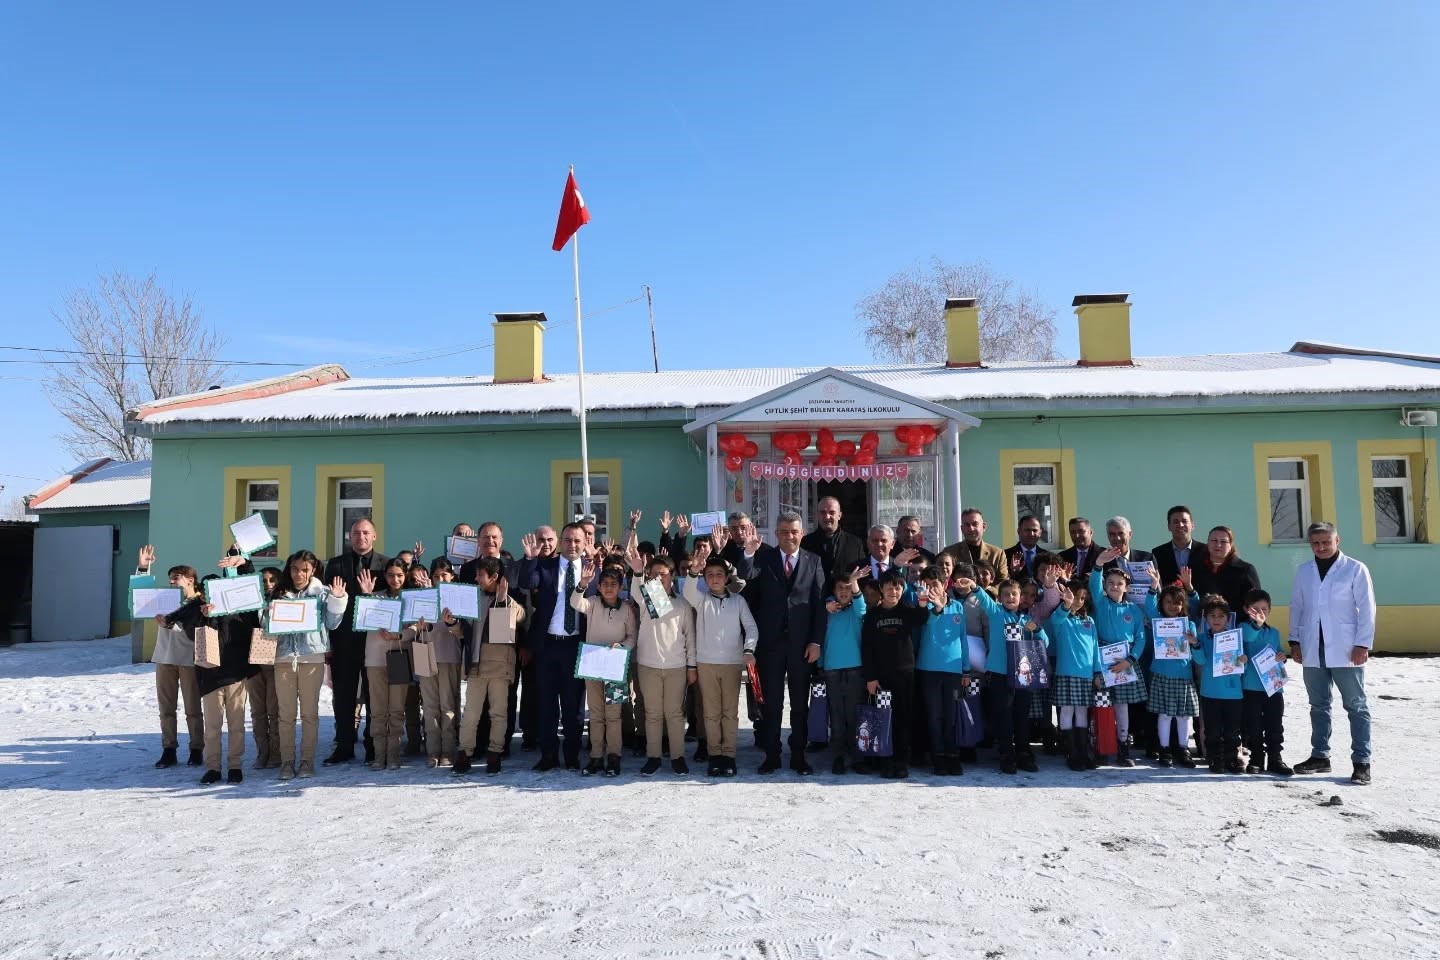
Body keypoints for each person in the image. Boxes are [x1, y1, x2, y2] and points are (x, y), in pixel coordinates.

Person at [737, 510, 826, 775]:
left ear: (802, 533)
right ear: (776, 534)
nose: (790, 536)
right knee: (771, 704)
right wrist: (749, 554)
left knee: (800, 705)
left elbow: (819, 605)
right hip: (771, 646)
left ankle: (798, 755)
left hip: (801, 647)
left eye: (794, 531)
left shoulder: (814, 561)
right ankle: (772, 755)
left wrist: (816, 642)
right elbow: (744, 580)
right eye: (784, 531)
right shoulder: (762, 558)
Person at [1288, 522, 1375, 785]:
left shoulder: (1355, 569)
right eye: (1316, 543)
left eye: (1326, 541)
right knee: (1318, 704)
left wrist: (1363, 644)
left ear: (1337, 540)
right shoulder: (1304, 572)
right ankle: (1320, 756)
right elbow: (1297, 607)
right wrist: (1295, 640)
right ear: (1310, 545)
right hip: (1313, 646)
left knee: (1356, 705)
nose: (1321, 547)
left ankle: (1362, 762)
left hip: (1347, 649)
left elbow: (1367, 609)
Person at [952, 573, 1046, 775]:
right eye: (1006, 595)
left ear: (1021, 597)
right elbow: (984, 599)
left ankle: (1023, 753)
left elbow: (1044, 643)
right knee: (1003, 716)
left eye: (1014, 594)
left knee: (1021, 716)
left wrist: (1036, 630)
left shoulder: (1027, 619)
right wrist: (973, 586)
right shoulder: (995, 614)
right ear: (1000, 598)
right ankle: (1006, 754)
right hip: (999, 674)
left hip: (1023, 675)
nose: (1011, 598)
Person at [268, 549, 347, 779]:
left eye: (304, 569)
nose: (299, 574)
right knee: (286, 714)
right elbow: (266, 625)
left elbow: (332, 625)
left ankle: (306, 761)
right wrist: (268, 614)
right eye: (294, 568)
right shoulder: (279, 593)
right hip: (283, 657)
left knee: (310, 714)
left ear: (313, 570)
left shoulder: (321, 593)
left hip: (312, 657)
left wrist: (338, 599)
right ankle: (286, 761)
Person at [518, 523, 589, 771]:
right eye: (568, 540)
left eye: (577, 541)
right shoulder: (546, 565)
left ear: (584, 543)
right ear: (561, 542)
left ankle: (572, 755)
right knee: (547, 705)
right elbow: (526, 582)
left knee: (574, 706)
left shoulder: (593, 570)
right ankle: (548, 755)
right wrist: (530, 559)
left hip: (576, 646)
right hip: (548, 645)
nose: (572, 545)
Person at [322, 519, 391, 765]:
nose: (360, 537)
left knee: (375, 694)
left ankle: (374, 743)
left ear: (374, 536)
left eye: (365, 532)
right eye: (355, 533)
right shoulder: (335, 564)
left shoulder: (385, 565)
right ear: (349, 537)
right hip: (344, 639)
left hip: (375, 640)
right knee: (344, 694)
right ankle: (344, 744)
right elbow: (328, 604)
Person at [682, 553, 758, 777]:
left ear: (727, 579)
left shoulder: (738, 601)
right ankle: (714, 755)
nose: (715, 578)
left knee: (730, 713)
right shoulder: (702, 599)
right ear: (705, 579)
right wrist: (694, 570)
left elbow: (751, 628)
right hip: (706, 664)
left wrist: (748, 650)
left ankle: (729, 755)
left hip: (732, 663)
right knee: (711, 712)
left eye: (719, 575)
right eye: (710, 575)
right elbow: (688, 591)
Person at [627, 549, 696, 775]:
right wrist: (638, 572)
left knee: (675, 714)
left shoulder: (683, 604)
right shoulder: (648, 596)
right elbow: (637, 593)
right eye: (654, 573)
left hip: (676, 666)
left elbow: (690, 638)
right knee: (653, 713)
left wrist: (692, 666)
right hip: (649, 665)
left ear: (672, 575)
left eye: (663, 573)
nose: (659, 577)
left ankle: (677, 757)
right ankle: (653, 757)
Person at [455, 557, 524, 776]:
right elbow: (462, 632)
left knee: (498, 713)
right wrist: (451, 623)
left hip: (500, 667)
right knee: (471, 714)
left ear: (494, 577)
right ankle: (464, 753)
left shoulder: (510, 601)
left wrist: (503, 600)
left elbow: (517, 619)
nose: (476, 578)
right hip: (476, 665)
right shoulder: (473, 600)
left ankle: (495, 753)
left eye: (480, 575)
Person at [860, 569, 932, 779]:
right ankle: (884, 759)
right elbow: (867, 648)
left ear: (903, 590)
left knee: (902, 718)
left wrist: (922, 601)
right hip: (881, 677)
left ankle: (900, 761)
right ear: (881, 589)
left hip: (905, 674)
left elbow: (921, 617)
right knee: (883, 718)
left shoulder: (907, 611)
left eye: (898, 587)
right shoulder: (872, 615)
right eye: (889, 587)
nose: (894, 591)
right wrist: (870, 677)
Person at [570, 560, 638, 777]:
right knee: (597, 713)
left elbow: (632, 637)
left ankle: (614, 755)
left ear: (620, 587)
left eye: (613, 584)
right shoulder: (592, 603)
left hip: (615, 667)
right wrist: (582, 584)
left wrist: (622, 646)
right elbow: (574, 602)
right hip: (593, 665)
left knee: (614, 714)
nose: (609, 587)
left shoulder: (626, 609)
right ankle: (596, 755)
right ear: (598, 587)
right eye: (605, 583)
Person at [197, 557, 262, 784]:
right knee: (212, 727)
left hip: (236, 675)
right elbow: (195, 639)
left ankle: (235, 766)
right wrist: (208, 619)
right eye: (207, 592)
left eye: (217, 590)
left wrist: (244, 562)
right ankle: (213, 767)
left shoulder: (241, 612)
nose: (212, 596)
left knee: (236, 725)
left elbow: (251, 587)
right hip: (211, 677)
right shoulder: (199, 614)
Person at [140, 545, 206, 769]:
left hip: (188, 659)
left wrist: (174, 624)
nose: (171, 582)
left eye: (176, 578)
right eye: (170, 578)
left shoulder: (200, 603)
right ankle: (169, 748)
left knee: (192, 708)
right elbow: (138, 597)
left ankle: (197, 749)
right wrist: (143, 567)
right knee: (166, 708)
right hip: (164, 658)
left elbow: (197, 630)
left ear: (190, 579)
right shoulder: (165, 599)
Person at [1088, 554, 1150, 766]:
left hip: (1125, 662)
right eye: (1110, 583)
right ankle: (1102, 747)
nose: (1115, 586)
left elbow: (1141, 637)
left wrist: (1130, 660)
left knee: (1122, 706)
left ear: (1127, 588)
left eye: (1120, 583)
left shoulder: (1133, 609)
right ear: (1105, 586)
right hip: (1102, 661)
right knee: (1102, 704)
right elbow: (1093, 584)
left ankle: (1123, 746)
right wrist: (1098, 565)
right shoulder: (1100, 602)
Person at [913, 566, 969, 776]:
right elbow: (926, 621)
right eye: (927, 585)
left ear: (945, 584)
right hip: (928, 669)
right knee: (934, 715)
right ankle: (938, 757)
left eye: (935, 584)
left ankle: (952, 756)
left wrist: (965, 668)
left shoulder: (957, 607)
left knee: (950, 716)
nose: (931, 589)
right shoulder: (923, 607)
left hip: (953, 670)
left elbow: (962, 637)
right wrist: (935, 607)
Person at [407, 565, 464, 768]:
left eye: (444, 575)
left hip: (448, 656)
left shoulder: (458, 597)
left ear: (452, 576)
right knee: (430, 706)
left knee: (447, 705)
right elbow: (414, 623)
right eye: (436, 575)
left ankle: (448, 749)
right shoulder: (423, 596)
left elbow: (461, 631)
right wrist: (425, 596)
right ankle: (432, 750)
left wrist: (450, 623)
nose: (440, 579)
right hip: (425, 654)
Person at [1045, 579, 1104, 771]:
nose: (1079, 601)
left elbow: (1095, 648)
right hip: (1066, 673)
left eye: (1082, 598)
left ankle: (1083, 750)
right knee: (1067, 711)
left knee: (1082, 712)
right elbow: (1056, 619)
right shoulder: (1061, 619)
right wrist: (1066, 605)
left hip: (1086, 675)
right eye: (1075, 597)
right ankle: (1071, 752)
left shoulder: (1090, 621)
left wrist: (1097, 672)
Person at [359, 559, 411, 771]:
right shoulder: (376, 597)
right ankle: (379, 755)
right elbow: (364, 618)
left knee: (397, 709)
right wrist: (367, 595)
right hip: (375, 660)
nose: (395, 579)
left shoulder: (410, 599)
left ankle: (394, 753)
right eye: (391, 575)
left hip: (399, 656)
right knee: (378, 710)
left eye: (399, 575)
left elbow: (417, 627)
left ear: (405, 575)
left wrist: (400, 634)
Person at [1143, 581, 1201, 768]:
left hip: (1183, 677)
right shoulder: (1157, 621)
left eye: (1177, 603)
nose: (1173, 606)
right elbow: (1149, 607)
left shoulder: (1189, 625)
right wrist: (1153, 587)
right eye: (1168, 602)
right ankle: (1164, 749)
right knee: (1165, 715)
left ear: (1183, 605)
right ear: (1162, 604)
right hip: (1162, 674)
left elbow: (1197, 654)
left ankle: (1183, 748)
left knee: (1183, 716)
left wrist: (1193, 643)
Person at [818, 567, 867, 775]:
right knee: (836, 715)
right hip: (831, 667)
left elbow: (862, 608)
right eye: (840, 588)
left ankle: (857, 756)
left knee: (854, 713)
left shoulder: (857, 609)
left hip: (855, 667)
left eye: (848, 587)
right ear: (834, 590)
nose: (844, 591)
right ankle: (838, 755)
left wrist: (854, 583)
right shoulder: (827, 609)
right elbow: (818, 636)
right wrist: (820, 664)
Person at [1239, 588, 1292, 776]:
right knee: (1254, 725)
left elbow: (1278, 651)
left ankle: (1276, 758)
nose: (1260, 613)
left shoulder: (1274, 632)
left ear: (1269, 609)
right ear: (1246, 609)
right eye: (1255, 609)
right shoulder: (1244, 628)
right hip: (1251, 686)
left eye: (1264, 609)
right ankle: (1256, 759)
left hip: (1273, 687)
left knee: (1275, 724)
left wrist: (1281, 657)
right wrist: (1257, 625)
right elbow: (1248, 637)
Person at [1193, 595, 1246, 774]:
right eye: (1212, 616)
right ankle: (1214, 758)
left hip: (1233, 693)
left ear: (1228, 618)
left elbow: (1241, 664)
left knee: (1232, 730)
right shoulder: (1202, 638)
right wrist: (1195, 645)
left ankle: (1232, 758)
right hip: (1210, 692)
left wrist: (1243, 660)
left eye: (1221, 616)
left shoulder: (1235, 638)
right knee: (1213, 730)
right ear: (1206, 618)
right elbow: (1200, 660)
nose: (1216, 620)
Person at [248, 565, 283, 770]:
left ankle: (276, 752)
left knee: (274, 709)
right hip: (253, 659)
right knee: (257, 710)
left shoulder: (284, 601)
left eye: (272, 580)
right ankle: (262, 751)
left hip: (276, 659)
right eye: (264, 581)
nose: (268, 584)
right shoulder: (251, 603)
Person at [1191, 525, 1262, 614]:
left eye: (1223, 541)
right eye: (1214, 540)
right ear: (1207, 543)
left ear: (1231, 545)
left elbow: (1256, 603)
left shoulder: (1245, 570)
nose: (1218, 545)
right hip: (1202, 625)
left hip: (1236, 625)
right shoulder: (1195, 568)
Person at [800, 496, 866, 590]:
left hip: (847, 601)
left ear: (839, 515)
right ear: (817, 515)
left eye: (832, 512)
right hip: (817, 602)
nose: (827, 517)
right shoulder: (805, 543)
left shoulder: (855, 543)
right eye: (823, 512)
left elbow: (861, 575)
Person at [941, 508, 1005, 582]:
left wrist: (984, 592)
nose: (971, 529)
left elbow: (1003, 582)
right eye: (967, 525)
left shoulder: (997, 554)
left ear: (984, 527)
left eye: (975, 524)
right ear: (962, 529)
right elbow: (943, 579)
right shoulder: (950, 553)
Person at [1152, 506, 1202, 587]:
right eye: (1176, 522)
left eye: (1184, 521)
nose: (1180, 525)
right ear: (1169, 526)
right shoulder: (1158, 553)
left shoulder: (1204, 551)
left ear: (1192, 525)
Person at [1003, 515, 1045, 580]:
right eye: (1027, 530)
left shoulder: (1047, 556)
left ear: (1040, 532)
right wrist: (1014, 572)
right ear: (1019, 531)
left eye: (1035, 530)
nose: (1031, 534)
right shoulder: (1005, 555)